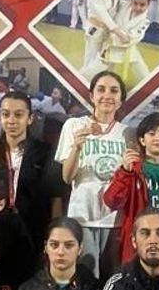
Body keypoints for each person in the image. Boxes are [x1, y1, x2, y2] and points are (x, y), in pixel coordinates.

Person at [56, 71, 131, 277]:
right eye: (101, 89)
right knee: (87, 276)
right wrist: (77, 148)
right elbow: (67, 177)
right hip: (82, 215)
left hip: (116, 218)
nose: (107, 95)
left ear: (121, 100)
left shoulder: (128, 133)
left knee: (114, 277)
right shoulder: (74, 126)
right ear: (91, 96)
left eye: (114, 91)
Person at [103, 111, 159, 265]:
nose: (158, 138)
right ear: (142, 140)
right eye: (152, 133)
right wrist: (124, 172)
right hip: (136, 248)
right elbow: (112, 202)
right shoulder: (131, 170)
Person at [0, 91, 60, 248]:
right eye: (5, 114)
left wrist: (54, 236)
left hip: (34, 231)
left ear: (30, 118)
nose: (11, 120)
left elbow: (55, 197)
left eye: (18, 115)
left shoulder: (45, 153)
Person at [101, 0, 153, 85]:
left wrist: (114, 31)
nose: (138, 7)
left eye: (142, 5)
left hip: (128, 49)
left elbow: (129, 39)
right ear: (130, 0)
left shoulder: (145, 21)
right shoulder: (123, 4)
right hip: (110, 47)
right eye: (135, 3)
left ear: (148, 4)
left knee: (145, 76)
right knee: (98, 72)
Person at [83, 0, 125, 77]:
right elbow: (104, 15)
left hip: (109, 31)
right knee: (91, 59)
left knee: (106, 59)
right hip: (95, 30)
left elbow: (123, 1)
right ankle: (84, 80)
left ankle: (104, 79)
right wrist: (118, 32)